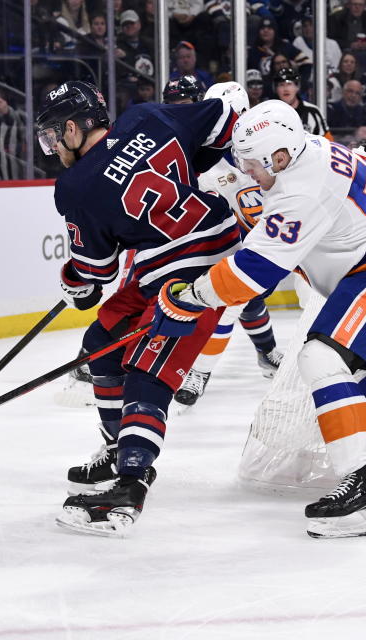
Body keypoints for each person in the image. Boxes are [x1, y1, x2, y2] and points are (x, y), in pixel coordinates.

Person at [151, 100, 366, 538]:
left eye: (253, 163)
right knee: (351, 369)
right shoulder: (304, 152)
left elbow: (255, 273)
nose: (248, 172)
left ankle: (361, 491)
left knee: (319, 359)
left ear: (279, 156)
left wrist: (194, 294)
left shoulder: (300, 189)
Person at [36, 80, 247, 536]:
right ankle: (118, 450)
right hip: (213, 249)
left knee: (149, 370)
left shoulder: (74, 185)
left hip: (196, 279)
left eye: (54, 135)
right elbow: (224, 122)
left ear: (73, 128)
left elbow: (95, 271)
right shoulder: (147, 116)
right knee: (101, 345)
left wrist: (73, 283)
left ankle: (131, 484)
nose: (53, 146)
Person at [160, 80, 284, 409]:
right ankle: (204, 370)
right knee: (233, 303)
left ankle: (265, 354)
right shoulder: (203, 160)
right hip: (227, 247)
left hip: (271, 243)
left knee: (245, 301)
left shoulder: (268, 152)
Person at [273, 67, 332, 139]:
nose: (286, 89)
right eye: (281, 85)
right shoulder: (270, 113)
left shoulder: (313, 111)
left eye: (289, 84)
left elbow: (328, 141)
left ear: (297, 87)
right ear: (276, 89)